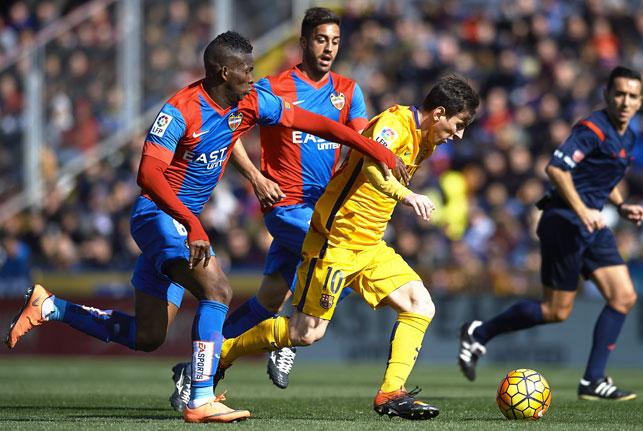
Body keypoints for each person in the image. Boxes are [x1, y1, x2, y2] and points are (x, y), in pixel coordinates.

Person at [4, 31, 404, 423]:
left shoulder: (250, 102)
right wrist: (192, 223)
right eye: (246, 70)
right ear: (222, 71)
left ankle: (51, 306)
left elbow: (318, 124)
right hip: (157, 218)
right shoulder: (180, 110)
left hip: (182, 224)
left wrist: (375, 149)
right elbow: (148, 174)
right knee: (218, 290)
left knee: (148, 336)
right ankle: (201, 396)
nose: (253, 76)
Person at [203, 75, 479, 420]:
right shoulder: (393, 124)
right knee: (306, 333)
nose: (459, 134)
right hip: (336, 242)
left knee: (420, 304)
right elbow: (371, 166)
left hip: (370, 245)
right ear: (439, 112)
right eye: (458, 124)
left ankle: (391, 393)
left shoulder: (427, 140)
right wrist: (407, 196)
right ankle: (220, 356)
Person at [167, 9, 370, 410]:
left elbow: (358, 140)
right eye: (320, 40)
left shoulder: (349, 90)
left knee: (266, 300)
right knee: (343, 257)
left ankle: (198, 369)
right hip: (286, 206)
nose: (328, 48)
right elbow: (230, 130)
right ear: (303, 41)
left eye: (334, 40)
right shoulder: (273, 86)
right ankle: (288, 335)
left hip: (323, 209)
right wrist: (256, 178)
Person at [458, 66, 643, 401]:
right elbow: (556, 169)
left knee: (624, 296)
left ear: (640, 100)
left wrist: (621, 205)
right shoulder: (592, 129)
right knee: (556, 311)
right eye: (619, 93)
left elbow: (606, 177)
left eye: (632, 95)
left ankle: (592, 380)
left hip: (593, 223)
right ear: (607, 95)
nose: (625, 101)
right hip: (564, 221)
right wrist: (582, 209)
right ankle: (480, 333)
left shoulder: (628, 135)